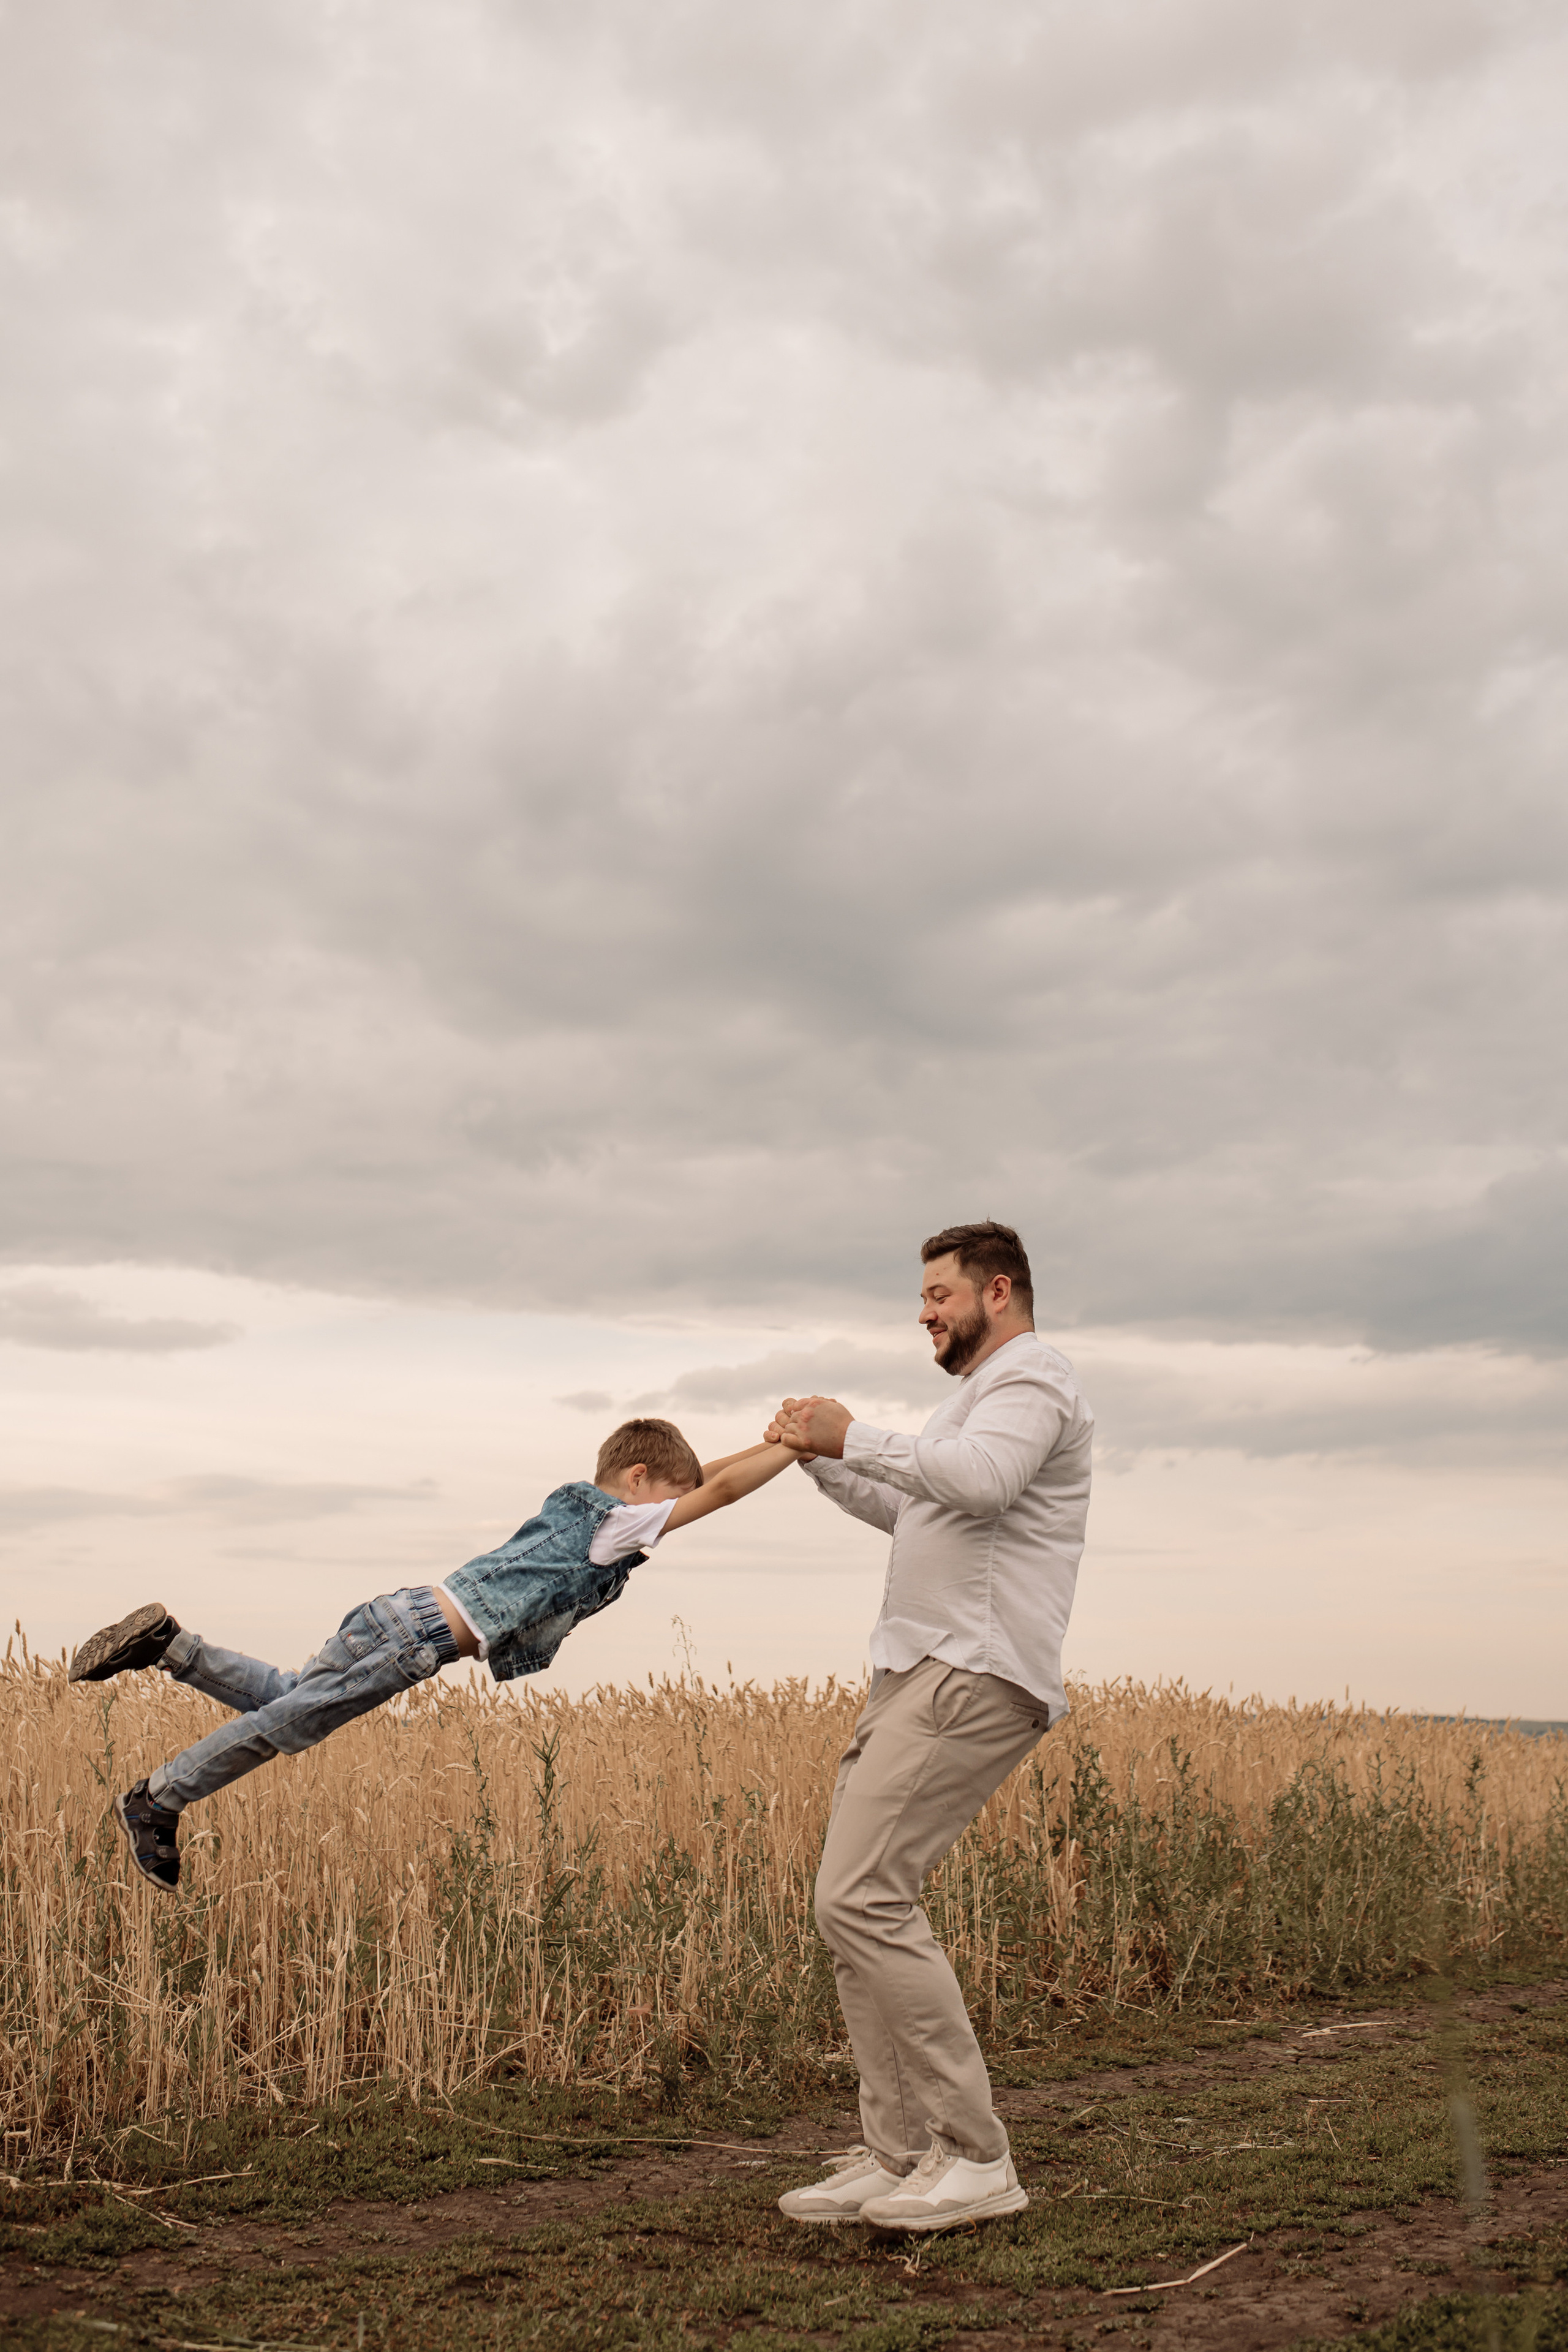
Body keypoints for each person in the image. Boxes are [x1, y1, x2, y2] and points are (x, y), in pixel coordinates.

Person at [71, 1417, 794, 1893]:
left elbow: (704, 1476)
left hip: (402, 1615)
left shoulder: (594, 1511)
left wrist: (776, 1436)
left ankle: (169, 1646)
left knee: (286, 1698)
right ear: (636, 1480)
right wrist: (799, 1447)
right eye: (668, 1500)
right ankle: (158, 1798)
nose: (671, 1516)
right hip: (414, 1640)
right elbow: (723, 1490)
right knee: (287, 1726)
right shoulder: (617, 1526)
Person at [769, 1221, 1093, 2236]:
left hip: (973, 1668)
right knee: (852, 1905)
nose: (924, 1314)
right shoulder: (973, 1402)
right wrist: (819, 1458)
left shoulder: (1034, 1379)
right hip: (916, 1671)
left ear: (999, 1291)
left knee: (861, 1895)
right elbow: (921, 1506)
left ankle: (975, 2156)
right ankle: (904, 2154)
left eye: (939, 1295)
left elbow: (981, 1482)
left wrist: (855, 1434)